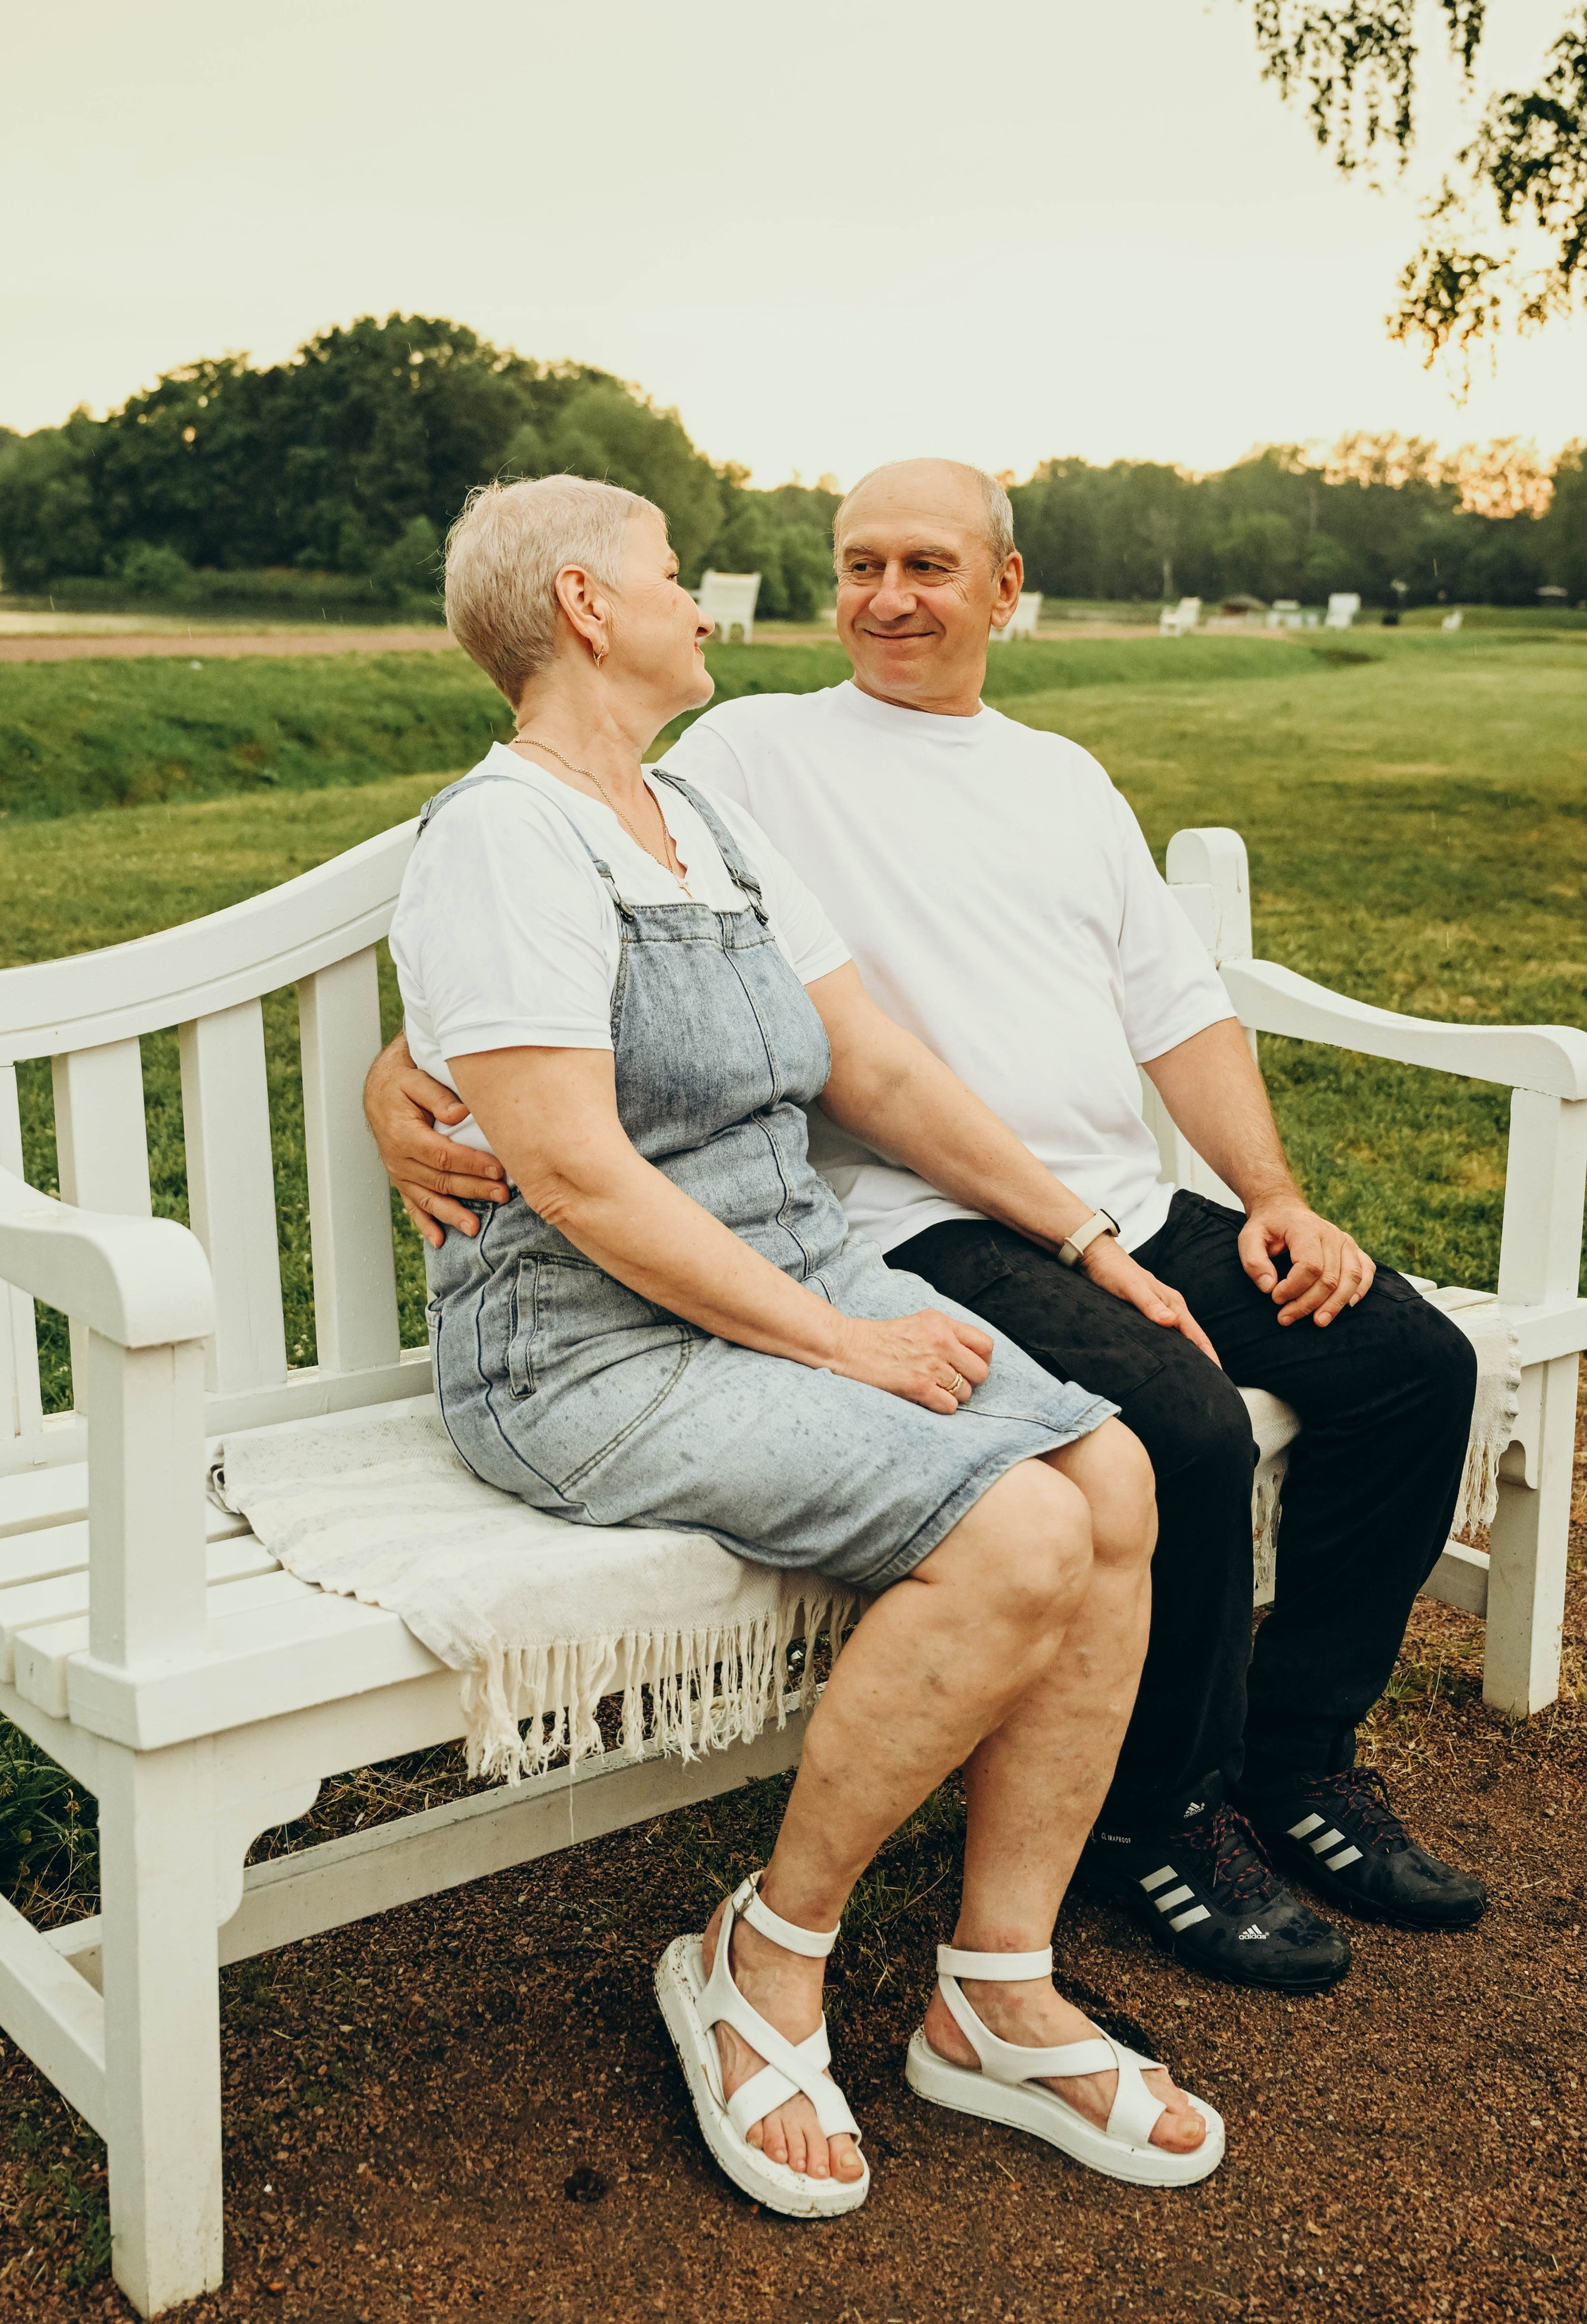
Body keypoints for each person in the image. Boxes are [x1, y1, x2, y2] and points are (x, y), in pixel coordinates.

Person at [375, 458, 1486, 2000]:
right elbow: (536, 1002)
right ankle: (1083, 1850)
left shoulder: (826, 798)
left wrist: (1172, 1221)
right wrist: (406, 1069)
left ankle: (1236, 1802)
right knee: (1150, 1445)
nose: (869, 596)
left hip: (1009, 1222)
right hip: (807, 1261)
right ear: (588, 602)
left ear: (1001, 587)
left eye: (926, 564)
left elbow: (948, 1042)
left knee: (1366, 1380)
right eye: (854, 563)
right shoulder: (729, 761)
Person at [381, 471, 1225, 2211]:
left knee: (1115, 1474)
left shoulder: (700, 819)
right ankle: (759, 1960)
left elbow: (884, 1072)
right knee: (1017, 1531)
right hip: (583, 1346)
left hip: (779, 1277)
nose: (705, 603)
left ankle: (994, 1991)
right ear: (587, 608)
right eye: (673, 578)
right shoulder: (502, 837)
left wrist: (1083, 1238)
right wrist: (841, 1346)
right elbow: (580, 1181)